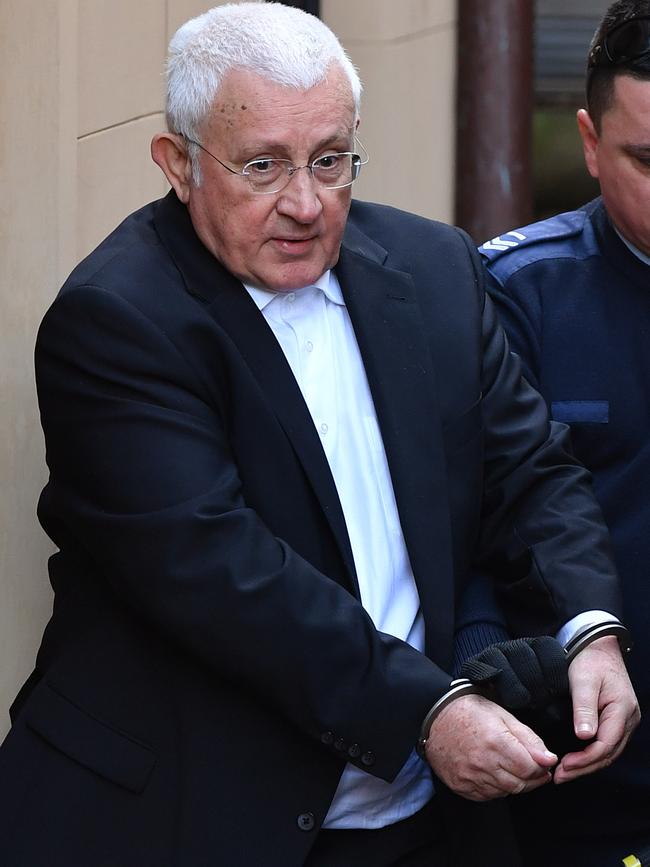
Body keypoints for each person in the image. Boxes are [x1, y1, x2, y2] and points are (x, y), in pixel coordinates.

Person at [0, 4, 638, 866]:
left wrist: (589, 626)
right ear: (178, 164)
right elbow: (224, 577)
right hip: (190, 818)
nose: (305, 203)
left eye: (331, 160)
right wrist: (430, 709)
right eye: (263, 165)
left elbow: (529, 471)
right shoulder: (117, 321)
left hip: (423, 819)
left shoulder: (436, 270)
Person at [480, 3, 650, 864]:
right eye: (649, 161)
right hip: (577, 789)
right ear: (588, 141)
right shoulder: (516, 293)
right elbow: (468, 527)